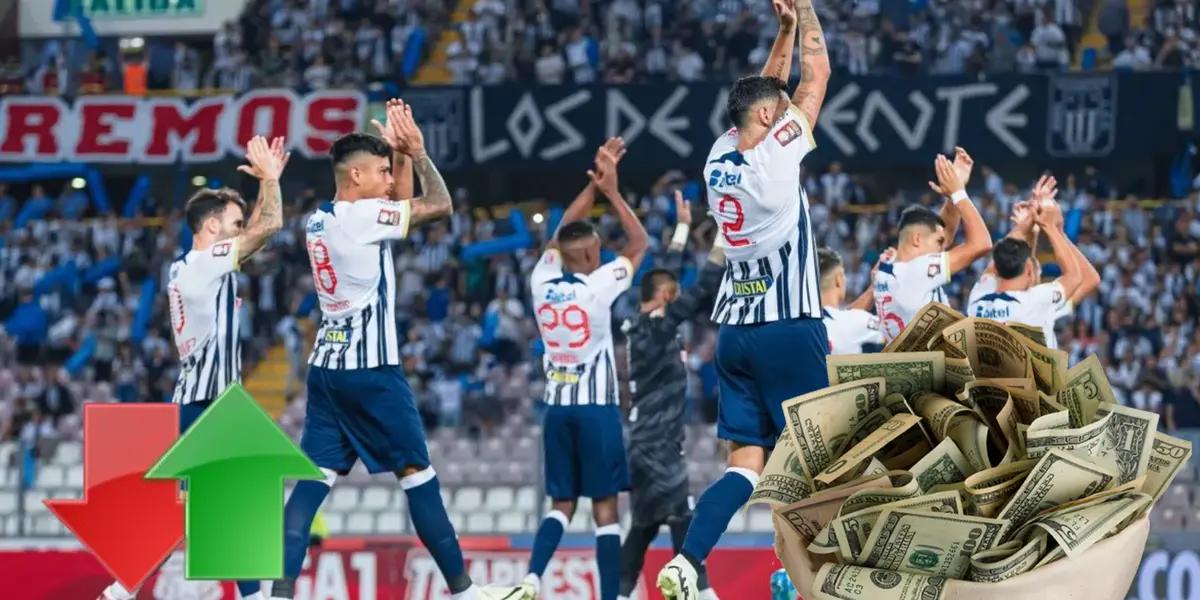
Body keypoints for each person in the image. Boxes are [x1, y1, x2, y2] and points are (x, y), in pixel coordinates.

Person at [266, 102, 532, 600]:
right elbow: (439, 204)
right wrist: (420, 154)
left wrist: (400, 158)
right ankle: (464, 592)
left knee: (312, 483)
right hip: (373, 370)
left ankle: (277, 593)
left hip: (327, 367)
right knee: (417, 473)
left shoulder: (319, 219)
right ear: (357, 174)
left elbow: (402, 208)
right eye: (382, 171)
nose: (389, 179)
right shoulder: (365, 216)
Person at [657, 0, 833, 596]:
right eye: (777, 110)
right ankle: (798, 578)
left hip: (733, 333)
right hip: (790, 327)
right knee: (822, 461)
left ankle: (686, 562)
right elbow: (816, 78)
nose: (786, 110)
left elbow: (765, 89)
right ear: (768, 117)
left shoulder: (718, 156)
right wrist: (805, 14)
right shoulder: (777, 156)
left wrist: (780, 31)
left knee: (745, 466)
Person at [98, 136, 289, 600]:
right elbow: (271, 227)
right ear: (209, 227)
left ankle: (128, 588)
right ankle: (125, 588)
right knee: (208, 508)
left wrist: (265, 187)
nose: (241, 230)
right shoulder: (204, 264)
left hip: (208, 402)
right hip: (206, 405)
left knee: (220, 506)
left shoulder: (195, 265)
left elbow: (258, 231)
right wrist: (271, 180)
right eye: (233, 223)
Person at [523, 137, 648, 600]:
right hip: (596, 410)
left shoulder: (540, 281)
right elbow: (639, 243)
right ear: (592, 256)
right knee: (605, 508)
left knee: (560, 503)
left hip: (556, 409)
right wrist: (611, 192)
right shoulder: (598, 286)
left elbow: (561, 233)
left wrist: (590, 190)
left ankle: (532, 577)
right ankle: (609, 597)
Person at [617, 192, 725, 600]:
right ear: (665, 299)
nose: (679, 301)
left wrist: (682, 227)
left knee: (644, 526)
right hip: (659, 445)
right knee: (683, 515)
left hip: (645, 441)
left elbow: (668, 276)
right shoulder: (660, 328)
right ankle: (705, 591)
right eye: (673, 297)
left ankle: (622, 594)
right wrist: (724, 240)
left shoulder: (639, 323)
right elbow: (701, 288)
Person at [873, 153, 993, 343]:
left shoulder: (886, 267)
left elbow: (942, 233)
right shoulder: (916, 271)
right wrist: (959, 193)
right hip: (932, 367)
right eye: (938, 242)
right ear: (917, 240)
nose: (943, 246)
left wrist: (955, 187)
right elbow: (982, 244)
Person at [969, 176, 1100, 349]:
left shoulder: (978, 300)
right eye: (1038, 268)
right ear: (1030, 270)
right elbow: (1084, 277)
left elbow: (1004, 256)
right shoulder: (1039, 301)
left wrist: (1027, 226)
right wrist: (1054, 229)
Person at [818, 247, 886, 354]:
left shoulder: (793, 324)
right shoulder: (858, 321)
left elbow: (841, 317)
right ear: (838, 280)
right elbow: (894, 331)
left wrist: (873, 288)